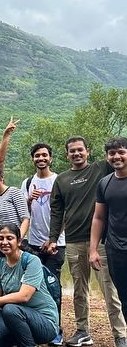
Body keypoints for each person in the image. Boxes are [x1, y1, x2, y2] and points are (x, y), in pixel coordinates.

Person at [49, 136, 126, 346]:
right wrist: (53, 238)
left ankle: (120, 334)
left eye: (80, 150)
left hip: (101, 241)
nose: (76, 154)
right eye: (72, 151)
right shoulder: (62, 180)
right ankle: (83, 330)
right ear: (67, 155)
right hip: (73, 240)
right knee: (79, 290)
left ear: (88, 151)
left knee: (110, 290)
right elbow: (56, 212)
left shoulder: (101, 169)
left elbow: (120, 160)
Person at [0, 224, 59, 347]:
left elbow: (24, 296)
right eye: (1, 238)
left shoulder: (31, 261)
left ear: (19, 241)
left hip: (44, 322)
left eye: (9, 238)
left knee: (10, 309)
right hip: (14, 317)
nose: (4, 242)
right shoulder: (0, 264)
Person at [21, 142, 65, 346]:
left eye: (44, 155)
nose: (41, 158)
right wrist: (29, 200)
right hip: (34, 243)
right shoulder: (27, 182)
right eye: (37, 155)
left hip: (57, 244)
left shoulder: (59, 180)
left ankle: (56, 329)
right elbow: (25, 214)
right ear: (33, 159)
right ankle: (39, 326)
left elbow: (65, 213)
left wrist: (54, 238)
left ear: (51, 158)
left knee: (53, 286)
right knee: (34, 287)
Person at [90, 137, 127, 330]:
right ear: (107, 157)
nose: (116, 156)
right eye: (112, 153)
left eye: (121, 152)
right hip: (115, 250)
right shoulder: (104, 183)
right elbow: (99, 218)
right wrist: (93, 250)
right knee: (124, 298)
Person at [0, 165, 30, 258]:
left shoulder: (14, 192)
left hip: (14, 242)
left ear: (1, 177)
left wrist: (18, 240)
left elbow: (25, 219)